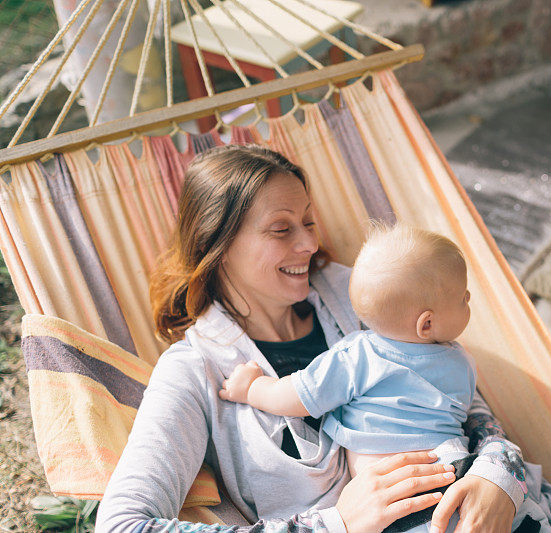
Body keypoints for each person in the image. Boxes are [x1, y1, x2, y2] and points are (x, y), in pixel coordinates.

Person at [96, 145, 523, 533]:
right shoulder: (194, 371)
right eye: (281, 230)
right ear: (219, 243)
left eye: (308, 221)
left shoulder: (360, 294)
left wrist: (498, 472)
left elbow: (450, 389)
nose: (308, 243)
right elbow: (121, 526)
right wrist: (335, 524)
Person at [217, 224, 551, 533]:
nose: (469, 301)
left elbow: (297, 396)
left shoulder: (358, 353)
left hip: (402, 494)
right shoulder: (461, 363)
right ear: (426, 324)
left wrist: (252, 387)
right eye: (463, 297)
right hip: (455, 468)